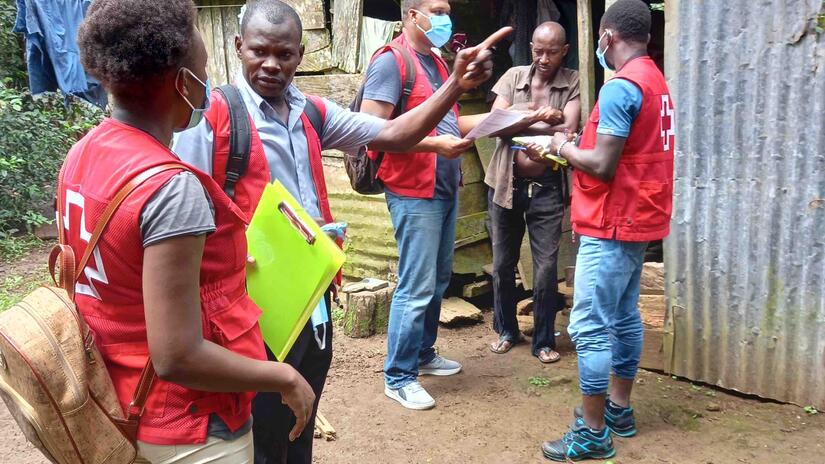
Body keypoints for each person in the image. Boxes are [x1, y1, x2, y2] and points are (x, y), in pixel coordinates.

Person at [173, 1, 508, 460]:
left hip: (313, 304)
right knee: (266, 431)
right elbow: (184, 209)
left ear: (301, 53)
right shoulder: (212, 116)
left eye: (285, 54)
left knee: (301, 419)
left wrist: (454, 85)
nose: (271, 64)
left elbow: (395, 134)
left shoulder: (311, 112)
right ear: (237, 47)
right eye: (259, 51)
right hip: (250, 311)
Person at [64, 1, 316, 462]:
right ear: (184, 83)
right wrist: (282, 377)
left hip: (113, 397)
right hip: (185, 424)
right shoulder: (171, 188)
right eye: (203, 69)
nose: (209, 84)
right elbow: (177, 356)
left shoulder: (83, 154)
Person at [539, 0, 675, 461]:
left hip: (612, 220)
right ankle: (619, 409)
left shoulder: (621, 88)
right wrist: (581, 146)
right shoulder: (655, 80)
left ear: (608, 38)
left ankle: (593, 433)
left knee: (591, 326)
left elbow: (603, 164)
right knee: (624, 316)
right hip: (639, 215)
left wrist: (562, 146)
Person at [484, 21, 581, 364]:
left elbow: (568, 128)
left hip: (548, 189)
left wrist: (519, 120)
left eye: (551, 52)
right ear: (531, 46)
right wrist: (542, 117)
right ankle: (507, 330)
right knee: (502, 264)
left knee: (545, 268)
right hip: (505, 183)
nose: (543, 58)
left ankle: (543, 340)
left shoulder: (572, 80)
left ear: (564, 51)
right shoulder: (512, 76)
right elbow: (495, 124)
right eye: (538, 50)